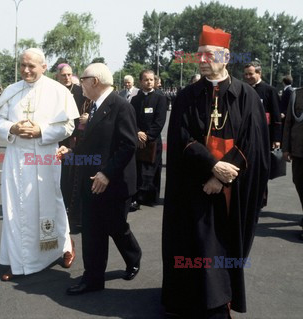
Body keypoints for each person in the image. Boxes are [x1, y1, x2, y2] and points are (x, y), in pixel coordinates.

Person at [162, 25, 269, 318]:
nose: (202, 59)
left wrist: (222, 176)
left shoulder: (247, 96)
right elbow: (181, 138)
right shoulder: (186, 96)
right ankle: (195, 300)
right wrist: (211, 167)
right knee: (197, 243)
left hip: (233, 188)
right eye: (200, 55)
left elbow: (254, 142)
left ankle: (222, 301)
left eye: (209, 54)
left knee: (226, 245)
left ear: (226, 56)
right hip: (196, 183)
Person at [0, 48, 80, 281]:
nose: (26, 70)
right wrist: (12, 128)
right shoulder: (11, 91)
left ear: (44, 67)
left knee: (50, 204)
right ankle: (17, 261)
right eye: (22, 65)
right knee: (14, 209)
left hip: (43, 156)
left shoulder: (57, 91)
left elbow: (68, 126)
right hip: (15, 158)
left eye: (31, 66)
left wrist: (41, 130)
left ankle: (63, 247)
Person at [58, 63, 142, 295]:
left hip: (114, 182)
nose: (79, 83)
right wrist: (72, 154)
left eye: (82, 79)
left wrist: (107, 173)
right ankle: (93, 279)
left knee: (117, 227)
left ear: (94, 81)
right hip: (92, 182)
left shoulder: (121, 106)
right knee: (93, 231)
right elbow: (90, 143)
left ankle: (133, 256)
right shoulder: (93, 106)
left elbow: (128, 145)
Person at [56, 63, 90, 230]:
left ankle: (73, 208)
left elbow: (88, 107)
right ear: (58, 76)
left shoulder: (79, 90)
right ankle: (61, 206)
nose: (67, 78)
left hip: (75, 138)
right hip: (57, 137)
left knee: (74, 174)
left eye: (69, 74)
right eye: (64, 75)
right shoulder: (53, 90)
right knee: (60, 174)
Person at [129, 70, 167, 211]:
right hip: (138, 140)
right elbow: (131, 119)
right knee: (138, 170)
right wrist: (138, 132)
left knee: (152, 169)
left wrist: (148, 136)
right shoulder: (135, 99)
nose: (149, 82)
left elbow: (160, 121)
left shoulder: (160, 98)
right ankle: (137, 198)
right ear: (141, 82)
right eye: (146, 80)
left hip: (153, 141)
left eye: (151, 80)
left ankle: (151, 198)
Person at [243, 61, 282, 148]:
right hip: (246, 136)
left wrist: (276, 138)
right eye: (246, 74)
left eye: (250, 74)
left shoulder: (270, 90)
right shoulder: (243, 90)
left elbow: (276, 116)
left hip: (265, 135)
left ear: (259, 73)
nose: (248, 77)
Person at [282, 88, 303, 241]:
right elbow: (288, 122)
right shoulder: (297, 94)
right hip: (299, 149)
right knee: (299, 182)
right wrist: (286, 148)